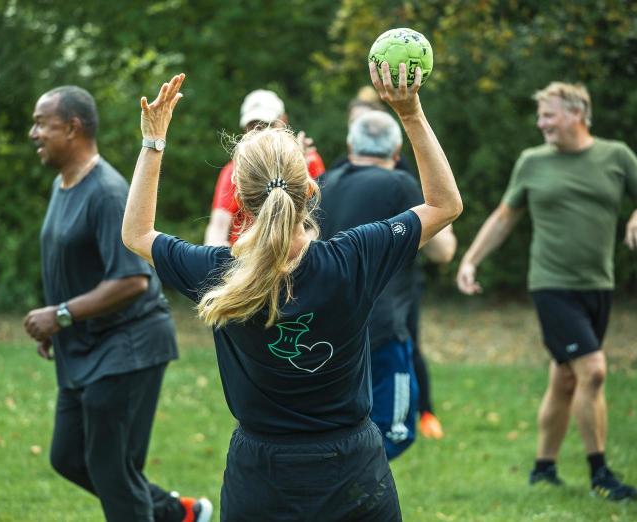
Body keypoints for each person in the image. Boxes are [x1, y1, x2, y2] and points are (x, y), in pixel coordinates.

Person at [122, 62, 461, 521]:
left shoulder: (221, 273)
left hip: (260, 478)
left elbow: (138, 234)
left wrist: (153, 142)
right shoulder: (354, 258)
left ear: (237, 199)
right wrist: (411, 113)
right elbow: (445, 204)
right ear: (311, 188)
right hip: (354, 476)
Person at [23, 85, 212, 522]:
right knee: (68, 456)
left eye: (41, 124)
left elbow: (133, 280)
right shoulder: (62, 184)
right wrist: (60, 326)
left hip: (128, 346)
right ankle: (177, 513)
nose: (34, 133)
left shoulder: (107, 192)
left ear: (72, 128)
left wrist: (61, 314)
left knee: (112, 470)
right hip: (84, 347)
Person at [456, 82, 637, 501]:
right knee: (592, 371)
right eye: (540, 116)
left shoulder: (616, 156)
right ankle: (601, 475)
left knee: (565, 378)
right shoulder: (532, 162)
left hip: (598, 284)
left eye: (549, 115)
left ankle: (543, 468)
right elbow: (504, 217)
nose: (541, 123)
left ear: (577, 113)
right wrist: (470, 260)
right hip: (551, 285)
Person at [318, 109, 456, 458]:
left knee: (335, 423)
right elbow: (443, 251)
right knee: (394, 432)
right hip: (380, 331)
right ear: (397, 151)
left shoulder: (322, 183)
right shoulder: (401, 184)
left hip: (325, 332)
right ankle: (345, 496)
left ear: (350, 145)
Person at [204, 88, 325, 246]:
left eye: (267, 124)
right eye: (253, 126)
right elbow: (217, 230)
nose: (260, 132)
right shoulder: (234, 171)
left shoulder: (309, 161)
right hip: (247, 260)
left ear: (284, 120)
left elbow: (320, 222)